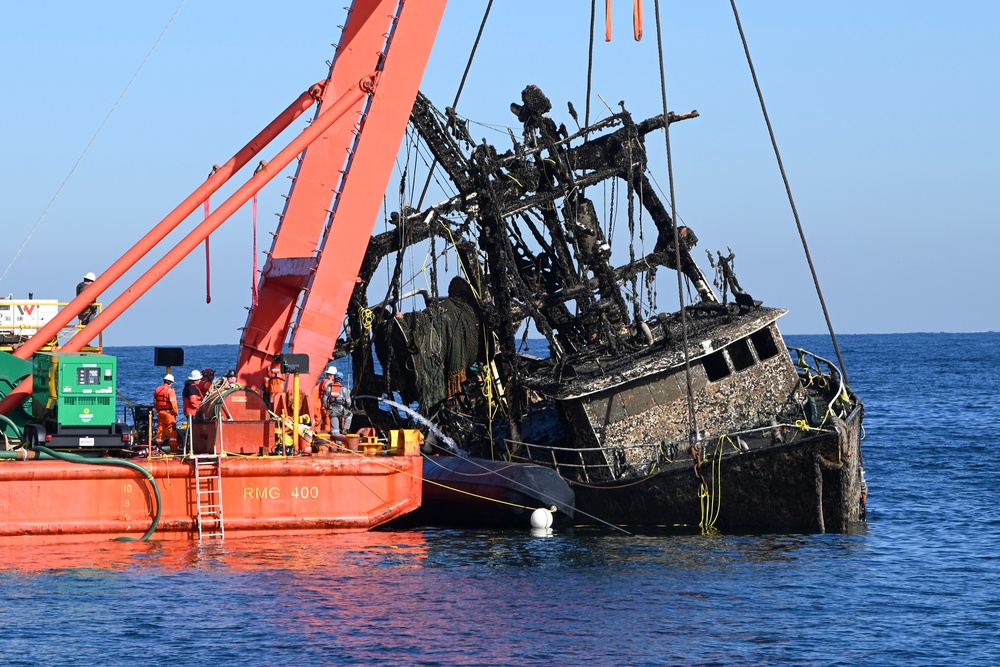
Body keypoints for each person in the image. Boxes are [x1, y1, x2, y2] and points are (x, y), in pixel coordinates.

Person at [152, 373, 179, 452]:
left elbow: (155, 402)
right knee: (172, 431)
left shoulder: (157, 390)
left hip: (160, 413)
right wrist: (175, 412)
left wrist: (158, 410)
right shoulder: (170, 391)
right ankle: (174, 449)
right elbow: (173, 403)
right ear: (171, 382)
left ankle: (158, 447)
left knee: (160, 429)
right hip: (169, 413)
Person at [324, 370, 352, 436]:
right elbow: (348, 401)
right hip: (341, 409)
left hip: (332, 410)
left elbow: (324, 399)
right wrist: (347, 408)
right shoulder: (344, 389)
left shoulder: (329, 388)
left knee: (335, 429)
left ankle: (338, 443)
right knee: (349, 415)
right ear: (341, 379)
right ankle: (345, 429)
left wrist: (327, 408)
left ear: (335, 378)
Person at [317, 365, 337, 433]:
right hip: (327, 404)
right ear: (332, 375)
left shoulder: (323, 381)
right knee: (328, 421)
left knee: (322, 420)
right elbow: (332, 394)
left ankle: (321, 433)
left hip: (321, 403)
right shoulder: (330, 383)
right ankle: (326, 436)